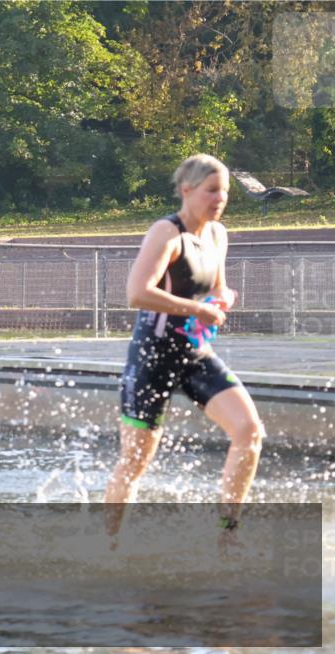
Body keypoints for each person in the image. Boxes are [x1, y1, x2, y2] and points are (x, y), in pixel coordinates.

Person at [105, 154, 264, 537]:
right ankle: (106, 543)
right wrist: (196, 308)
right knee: (134, 463)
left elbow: (218, 288)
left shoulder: (217, 234)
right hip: (152, 357)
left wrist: (223, 299)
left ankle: (227, 532)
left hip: (195, 354)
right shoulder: (166, 232)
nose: (220, 198)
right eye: (211, 191)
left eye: (224, 191)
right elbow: (136, 293)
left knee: (249, 431)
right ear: (187, 190)